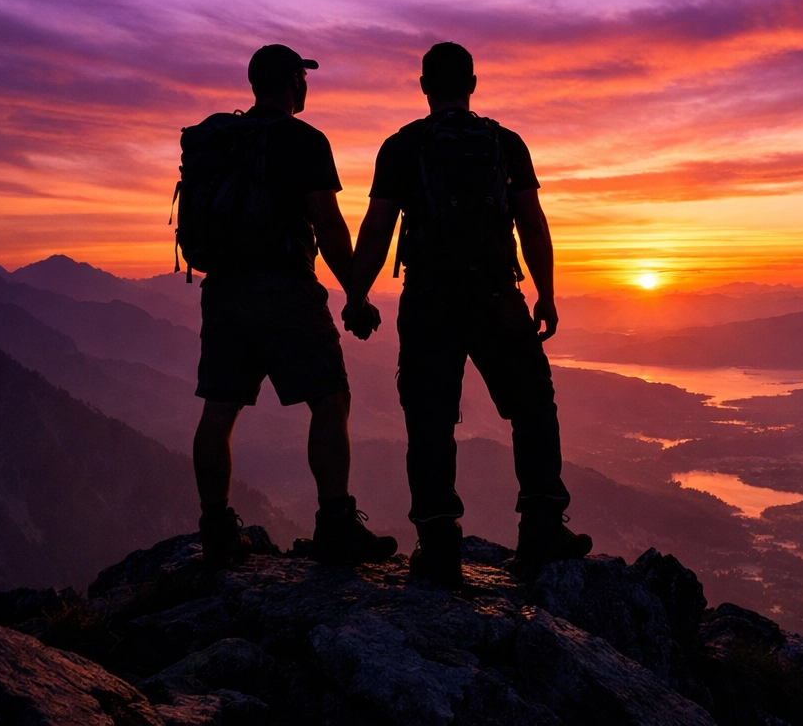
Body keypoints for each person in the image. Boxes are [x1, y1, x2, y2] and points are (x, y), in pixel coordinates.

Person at [342, 42, 591, 587]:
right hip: (497, 294)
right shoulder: (505, 143)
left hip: (428, 298)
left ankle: (438, 546)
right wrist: (546, 294)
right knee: (531, 404)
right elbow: (532, 223)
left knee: (429, 417)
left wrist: (356, 298)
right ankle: (543, 526)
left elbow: (377, 229)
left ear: (424, 86)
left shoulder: (402, 146)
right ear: (472, 84)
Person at [191, 44, 395, 569]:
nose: (306, 86)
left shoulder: (224, 138)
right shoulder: (304, 140)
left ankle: (216, 530)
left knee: (219, 407)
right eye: (303, 78)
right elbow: (328, 224)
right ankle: (336, 525)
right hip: (284, 290)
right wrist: (356, 295)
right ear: (290, 83)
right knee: (330, 399)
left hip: (223, 290)